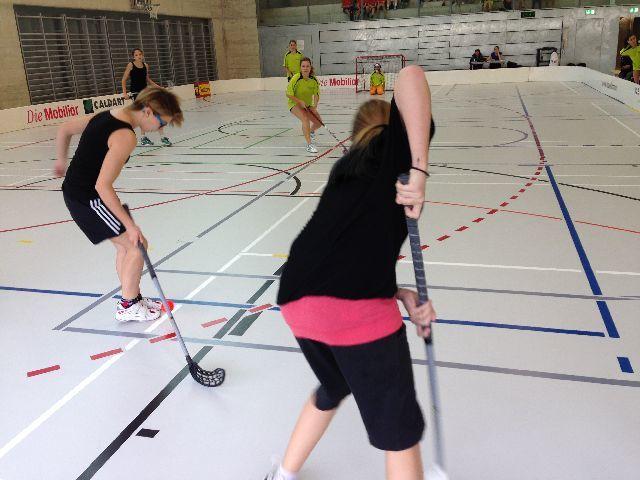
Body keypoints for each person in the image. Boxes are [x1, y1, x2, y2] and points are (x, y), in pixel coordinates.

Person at [264, 65, 437, 480]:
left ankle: (283, 474)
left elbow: (347, 254)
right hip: (351, 306)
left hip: (297, 298)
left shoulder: (347, 168)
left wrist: (400, 295)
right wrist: (419, 170)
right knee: (399, 432)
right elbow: (411, 75)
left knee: (334, 385)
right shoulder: (395, 150)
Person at [53, 87, 184, 322]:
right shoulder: (125, 136)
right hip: (88, 197)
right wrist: (131, 226)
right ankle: (128, 305)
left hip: (80, 192)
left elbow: (65, 128)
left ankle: (131, 297)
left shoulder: (107, 115)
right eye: (162, 122)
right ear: (147, 111)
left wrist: (61, 161)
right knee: (137, 244)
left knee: (125, 247)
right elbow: (103, 186)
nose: (160, 128)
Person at [121, 48, 173, 147]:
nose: (138, 56)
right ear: (133, 57)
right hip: (136, 94)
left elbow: (147, 79)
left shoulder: (146, 65)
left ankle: (162, 137)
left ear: (143, 55)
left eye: (140, 54)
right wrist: (125, 93)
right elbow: (123, 80)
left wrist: (159, 87)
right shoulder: (130, 65)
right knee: (144, 115)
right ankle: (143, 138)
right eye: (136, 55)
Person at [286, 57, 322, 154]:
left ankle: (310, 131)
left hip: (307, 104)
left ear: (310, 67)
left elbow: (316, 94)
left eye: (307, 66)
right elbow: (288, 94)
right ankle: (309, 145)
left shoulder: (314, 79)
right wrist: (299, 101)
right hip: (294, 103)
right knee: (305, 118)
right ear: (300, 68)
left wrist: (314, 107)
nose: (305, 68)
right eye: (303, 66)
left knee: (318, 123)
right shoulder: (296, 78)